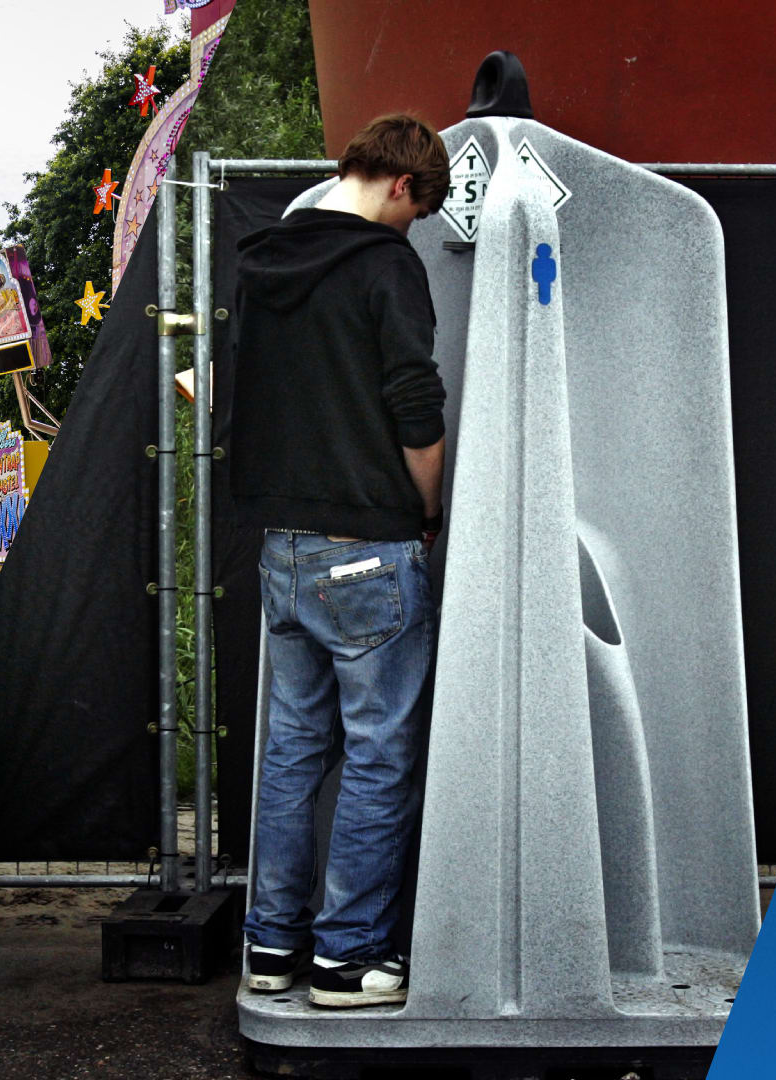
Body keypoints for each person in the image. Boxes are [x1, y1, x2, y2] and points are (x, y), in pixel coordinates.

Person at [228, 113, 448, 1009]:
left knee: (290, 755)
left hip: (281, 547)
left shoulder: (263, 263)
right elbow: (415, 403)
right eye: (420, 211)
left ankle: (271, 949)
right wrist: (426, 509)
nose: (416, 228)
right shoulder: (387, 264)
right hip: (368, 548)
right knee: (378, 755)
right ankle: (347, 960)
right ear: (403, 186)